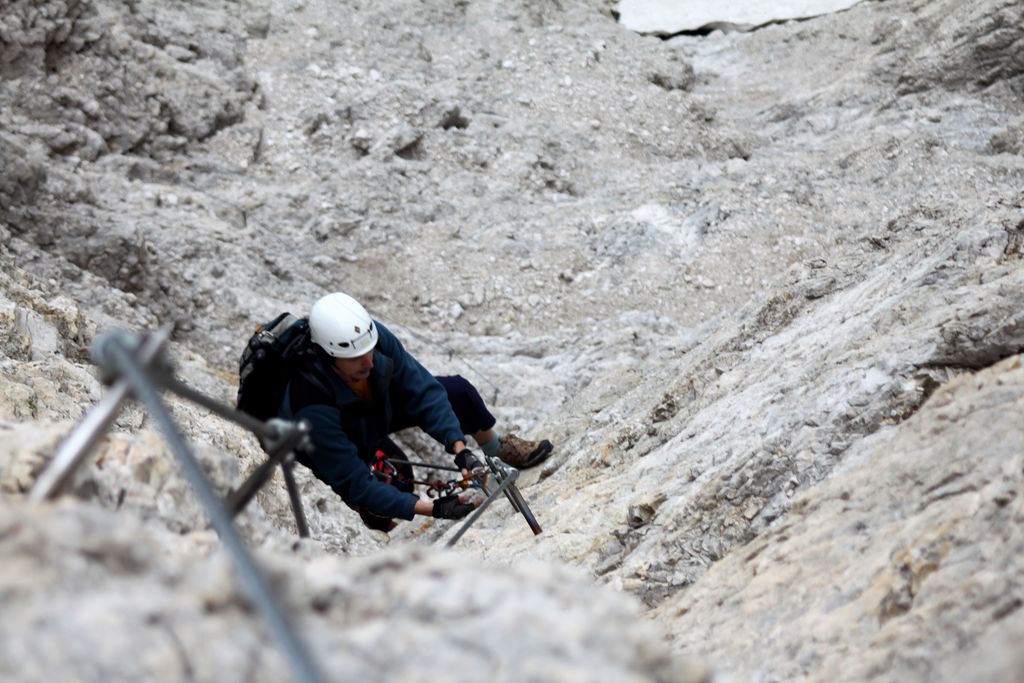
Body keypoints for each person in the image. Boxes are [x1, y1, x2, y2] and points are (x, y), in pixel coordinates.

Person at [278, 291, 553, 531]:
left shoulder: (370, 337)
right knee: (394, 483)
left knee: (456, 391)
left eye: (369, 351)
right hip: (335, 435)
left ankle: (496, 449)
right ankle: (384, 531)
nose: (368, 363)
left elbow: (423, 390)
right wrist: (435, 509)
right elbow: (355, 483)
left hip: (371, 410)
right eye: (355, 359)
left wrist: (461, 452)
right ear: (328, 357)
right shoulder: (311, 402)